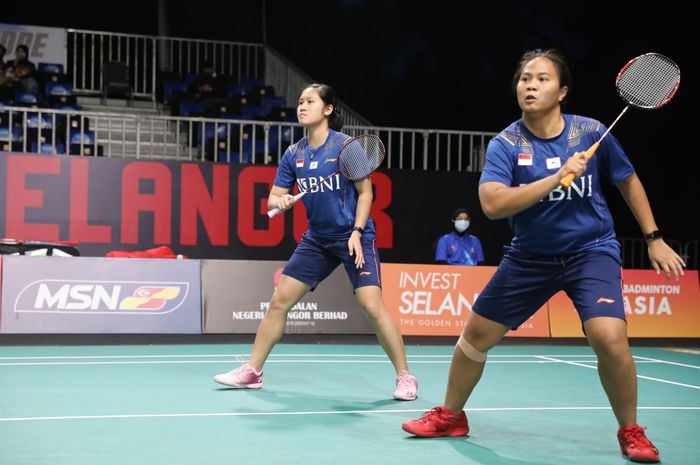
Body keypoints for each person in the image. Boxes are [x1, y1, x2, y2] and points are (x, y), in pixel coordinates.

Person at [401, 49, 685, 463]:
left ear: (562, 90)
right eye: (524, 79)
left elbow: (627, 180)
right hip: (530, 257)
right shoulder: (507, 143)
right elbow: (493, 204)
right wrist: (557, 176)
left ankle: (631, 430)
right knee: (476, 336)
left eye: (542, 79)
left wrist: (654, 236)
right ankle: (452, 414)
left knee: (609, 337)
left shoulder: (590, 132)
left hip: (591, 251)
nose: (530, 85)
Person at [214, 83, 418, 401]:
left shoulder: (347, 147)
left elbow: (367, 194)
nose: (302, 106)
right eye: (300, 101)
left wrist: (357, 232)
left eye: (310, 101)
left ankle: (405, 377)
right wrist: (279, 202)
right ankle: (252, 371)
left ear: (328, 109)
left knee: (372, 306)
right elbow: (274, 197)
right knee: (279, 301)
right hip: (317, 239)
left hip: (354, 237)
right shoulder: (293, 153)